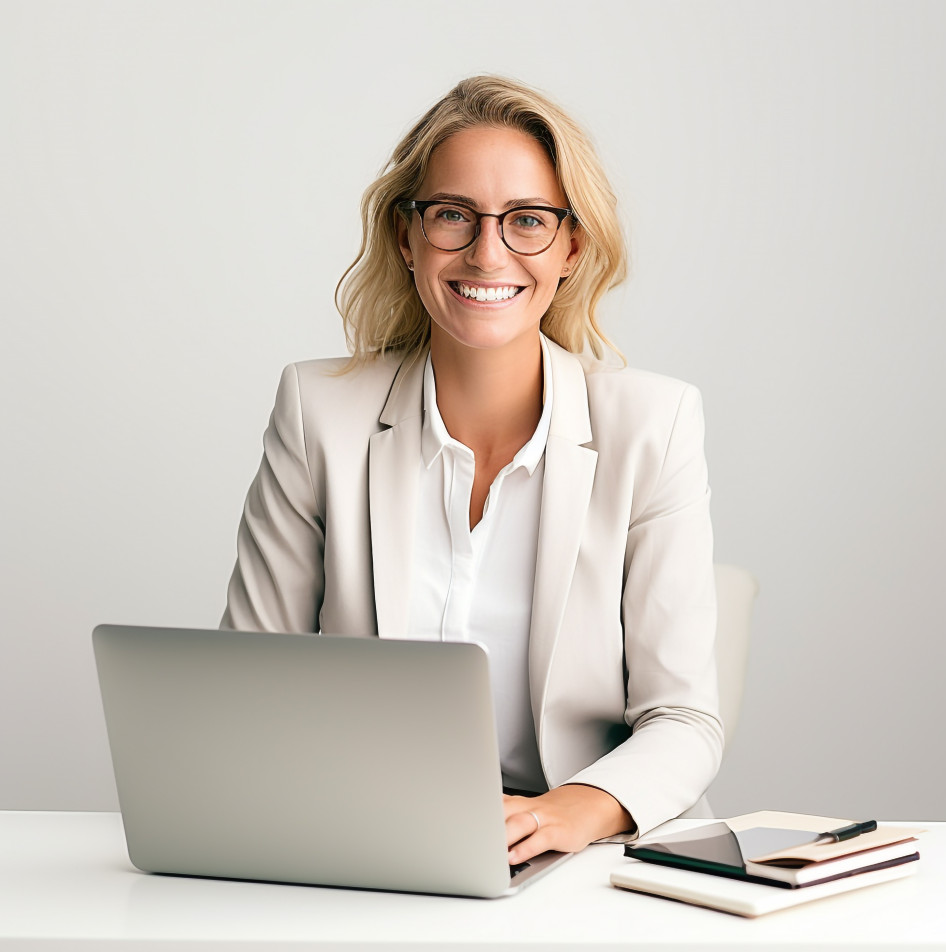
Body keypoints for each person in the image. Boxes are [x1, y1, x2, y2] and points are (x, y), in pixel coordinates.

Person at [220, 75, 723, 867]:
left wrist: (565, 815)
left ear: (572, 247)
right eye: (453, 214)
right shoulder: (320, 412)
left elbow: (685, 722)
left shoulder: (653, 425)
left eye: (528, 220)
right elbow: (245, 688)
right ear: (406, 236)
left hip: (583, 857)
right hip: (367, 846)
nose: (488, 253)